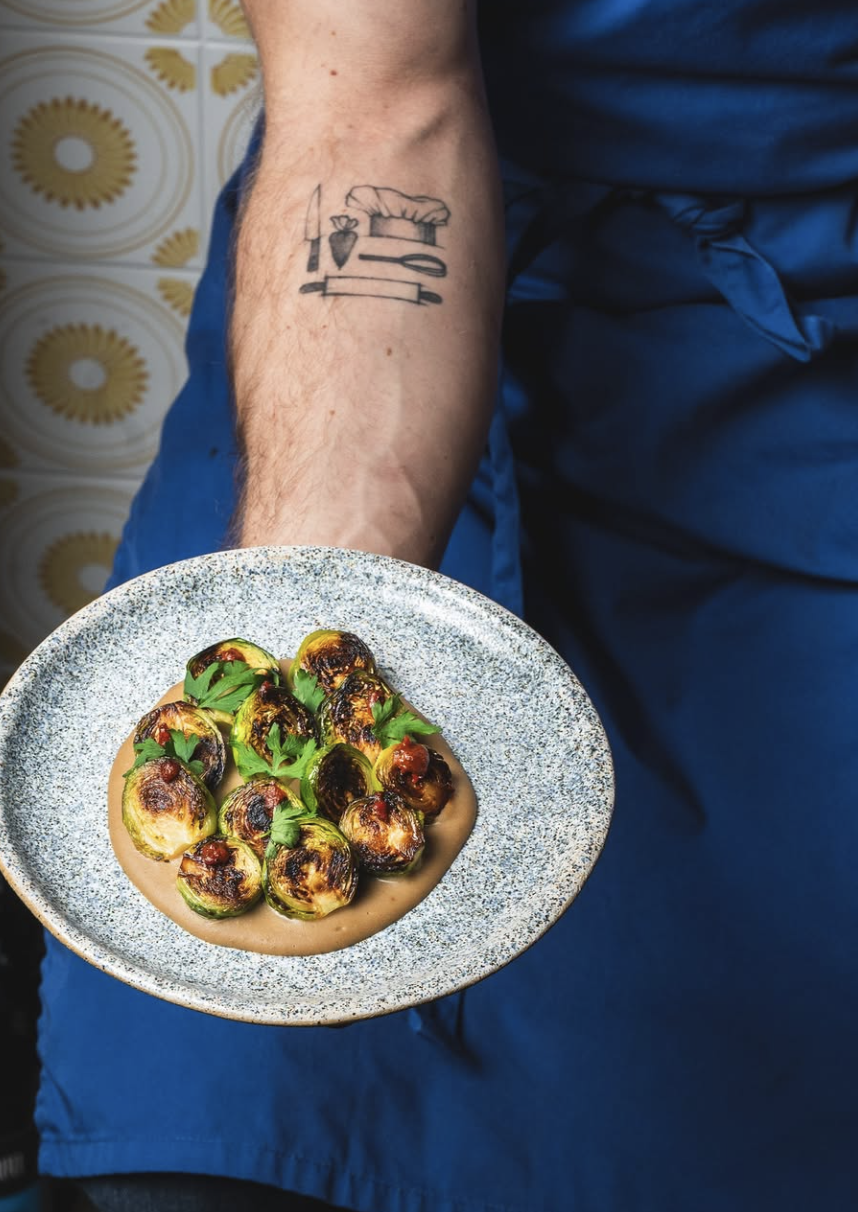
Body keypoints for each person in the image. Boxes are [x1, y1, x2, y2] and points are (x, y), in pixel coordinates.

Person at [35, 2, 858, 1210]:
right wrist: (314, 671)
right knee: (212, 1110)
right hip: (377, 311)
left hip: (815, 365)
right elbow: (383, 110)